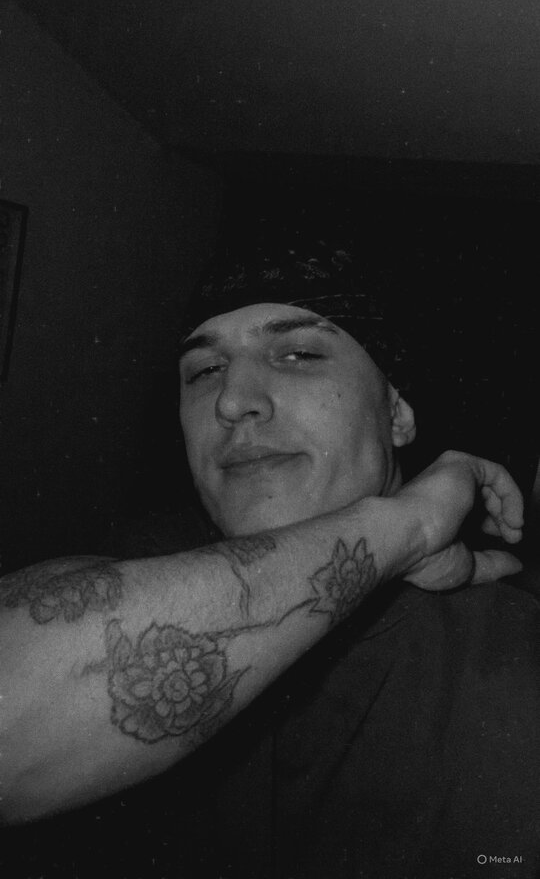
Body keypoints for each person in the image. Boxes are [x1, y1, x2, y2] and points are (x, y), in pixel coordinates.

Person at [0, 237, 538, 879]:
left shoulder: (508, 663)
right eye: (204, 371)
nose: (231, 401)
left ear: (396, 412)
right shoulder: (144, 561)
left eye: (298, 354)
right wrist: (407, 528)